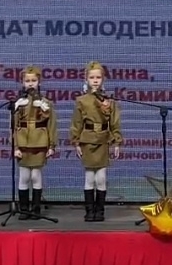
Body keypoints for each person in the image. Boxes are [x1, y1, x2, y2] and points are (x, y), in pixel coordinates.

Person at [69, 61, 122, 222]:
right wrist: (76, 142)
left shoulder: (109, 101)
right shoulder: (81, 100)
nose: (95, 80)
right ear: (86, 79)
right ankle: (89, 210)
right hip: (88, 140)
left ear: (103, 79)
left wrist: (116, 142)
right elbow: (77, 123)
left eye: (98, 77)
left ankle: (100, 210)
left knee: (101, 177)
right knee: (89, 177)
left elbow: (114, 123)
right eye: (92, 77)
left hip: (103, 140)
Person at [13, 66, 56, 219]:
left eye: (34, 80)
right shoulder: (19, 103)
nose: (30, 83)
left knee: (36, 176)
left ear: (39, 82)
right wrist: (15, 146)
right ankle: (24, 208)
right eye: (27, 81)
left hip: (39, 142)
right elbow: (13, 126)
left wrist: (52, 145)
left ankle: (36, 209)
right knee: (24, 176)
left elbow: (52, 125)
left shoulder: (46, 102)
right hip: (23, 142)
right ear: (23, 83)